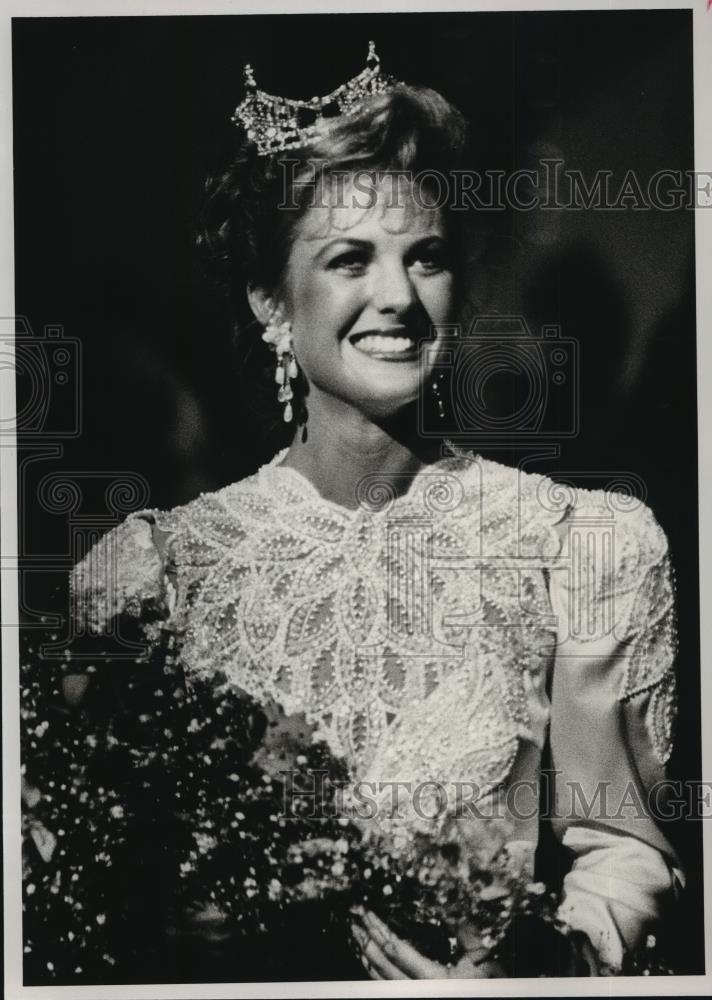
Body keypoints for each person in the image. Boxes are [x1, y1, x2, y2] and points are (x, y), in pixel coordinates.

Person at [30, 42, 681, 981]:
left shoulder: (578, 545)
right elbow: (76, 885)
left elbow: (623, 851)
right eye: (348, 259)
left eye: (426, 258)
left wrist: (540, 969)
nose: (396, 297)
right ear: (270, 300)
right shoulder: (154, 574)